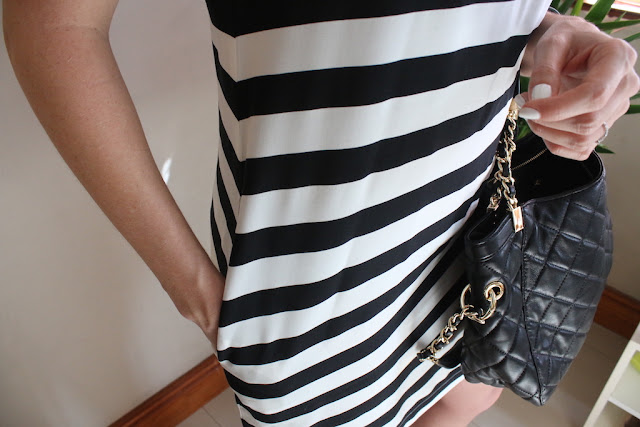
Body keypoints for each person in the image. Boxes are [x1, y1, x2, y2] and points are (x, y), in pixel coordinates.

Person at [4, 1, 638, 425]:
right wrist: (197, 293)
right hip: (309, 290)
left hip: (471, 253)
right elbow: (55, 25)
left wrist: (552, 31)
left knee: (461, 404)